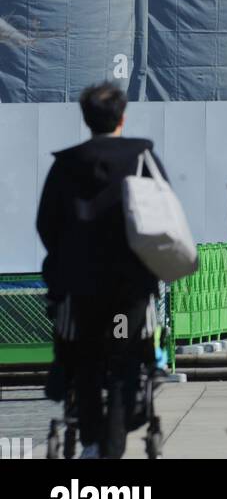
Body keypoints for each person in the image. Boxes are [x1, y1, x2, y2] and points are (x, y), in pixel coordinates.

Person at [36, 83, 164, 460]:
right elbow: (163, 217)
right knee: (123, 357)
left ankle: (91, 441)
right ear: (123, 116)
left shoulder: (66, 165)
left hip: (82, 290)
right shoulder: (142, 159)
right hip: (127, 293)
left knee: (87, 357)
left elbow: (47, 225)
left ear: (86, 119)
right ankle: (114, 444)